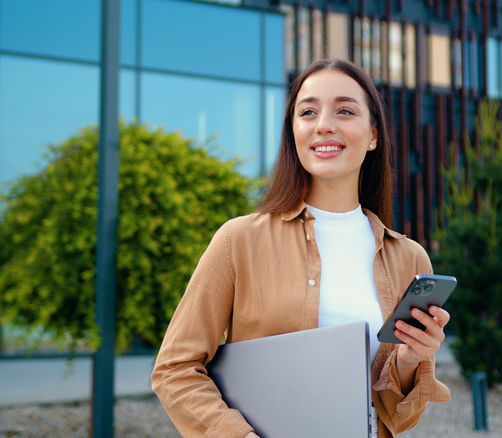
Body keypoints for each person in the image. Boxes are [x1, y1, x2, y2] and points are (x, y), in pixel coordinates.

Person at [151, 58, 451, 438]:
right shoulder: (238, 241)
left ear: (373, 135)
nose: (324, 123)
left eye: (344, 110)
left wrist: (410, 361)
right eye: (307, 111)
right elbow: (174, 369)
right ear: (294, 130)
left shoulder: (409, 258)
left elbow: (399, 417)